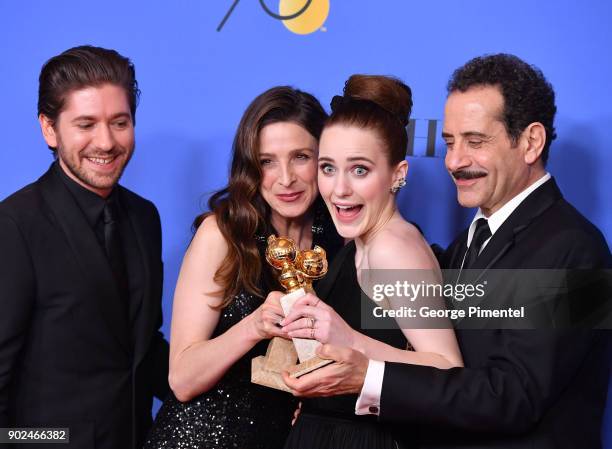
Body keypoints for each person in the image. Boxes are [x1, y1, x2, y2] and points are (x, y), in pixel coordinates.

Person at [283, 54, 612, 448]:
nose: (454, 161)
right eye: (450, 142)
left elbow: (513, 398)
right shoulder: (465, 244)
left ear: (530, 142)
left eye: (475, 141)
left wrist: (367, 374)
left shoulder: (578, 250)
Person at [144, 86, 343, 449]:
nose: (286, 178)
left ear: (325, 159)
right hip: (198, 439)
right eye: (267, 161)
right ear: (250, 166)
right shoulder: (223, 233)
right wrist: (253, 327)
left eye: (301, 157)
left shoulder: (337, 241)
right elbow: (182, 379)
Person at [278, 75, 463, 449]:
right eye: (328, 168)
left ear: (397, 175)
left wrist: (349, 339)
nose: (339, 189)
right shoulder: (361, 241)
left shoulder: (393, 249)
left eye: (359, 169)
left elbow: (447, 369)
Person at [0, 46, 170, 449]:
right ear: (49, 129)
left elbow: (142, 348)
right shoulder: (14, 226)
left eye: (120, 122)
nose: (107, 142)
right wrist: (52, 441)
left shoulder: (144, 217)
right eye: (86, 124)